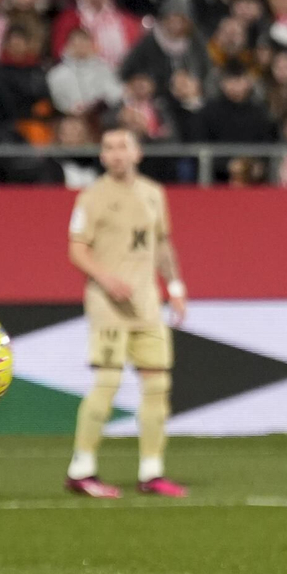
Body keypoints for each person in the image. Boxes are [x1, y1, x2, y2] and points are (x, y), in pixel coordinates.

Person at [65, 129, 188, 500]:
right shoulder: (93, 197)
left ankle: (152, 472)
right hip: (108, 309)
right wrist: (105, 278)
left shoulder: (153, 193)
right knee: (107, 383)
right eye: (108, 148)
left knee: (157, 386)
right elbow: (76, 248)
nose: (116, 154)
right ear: (102, 157)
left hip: (148, 307)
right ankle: (81, 470)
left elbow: (162, 243)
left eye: (122, 147)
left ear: (137, 153)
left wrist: (176, 287)